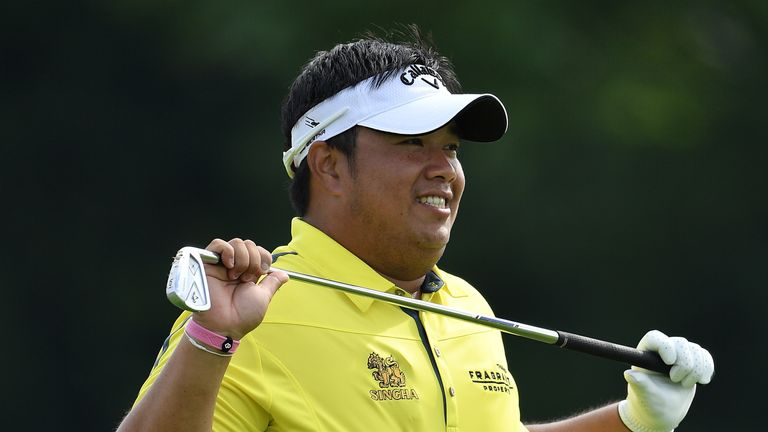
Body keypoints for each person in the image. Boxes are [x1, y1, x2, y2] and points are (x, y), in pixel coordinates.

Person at [118, 27, 714, 432]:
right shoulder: (251, 315)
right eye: (412, 144)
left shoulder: (466, 306)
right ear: (328, 164)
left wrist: (633, 419)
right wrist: (209, 340)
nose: (444, 170)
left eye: (451, 148)